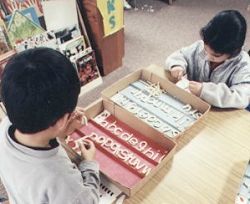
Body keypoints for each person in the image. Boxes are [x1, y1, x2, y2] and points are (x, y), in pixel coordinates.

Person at [0, 48, 100, 203]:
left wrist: (58, 130)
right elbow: (89, 200)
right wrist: (89, 164)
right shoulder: (61, 180)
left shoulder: (5, 125)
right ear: (62, 120)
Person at [165, 10, 250, 109]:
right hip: (192, 105)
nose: (208, 57)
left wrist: (205, 91)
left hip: (220, 113)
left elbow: (241, 98)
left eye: (216, 55)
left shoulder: (243, 65)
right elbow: (181, 55)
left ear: (233, 52)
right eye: (205, 50)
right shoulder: (201, 47)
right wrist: (177, 65)